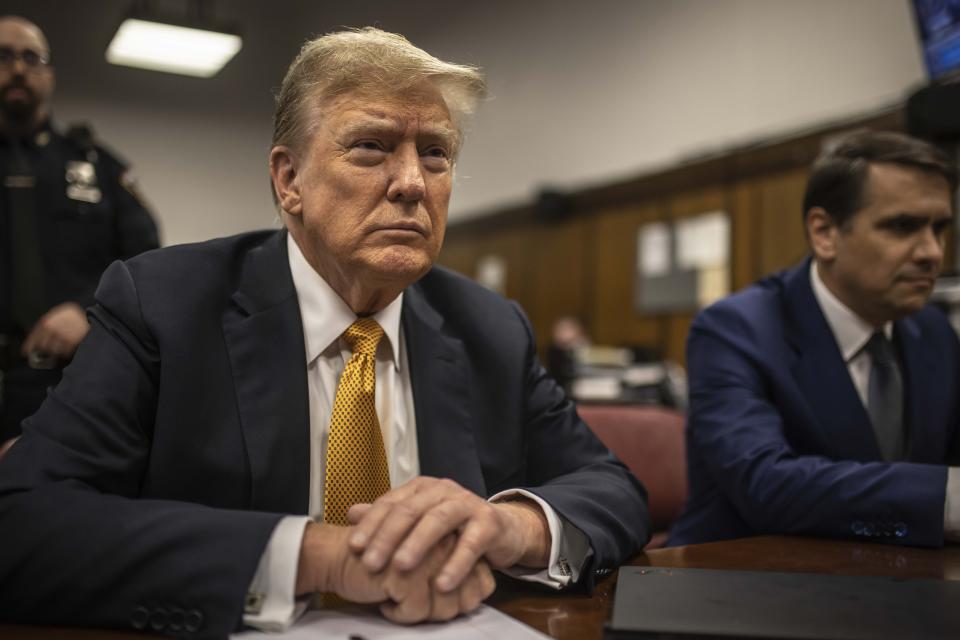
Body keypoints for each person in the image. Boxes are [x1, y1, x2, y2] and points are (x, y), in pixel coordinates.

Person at [0, 27, 649, 637]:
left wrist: (506, 527)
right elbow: (22, 520)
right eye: (371, 148)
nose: (411, 184)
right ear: (289, 181)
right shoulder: (165, 307)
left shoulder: (488, 327)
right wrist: (321, 556)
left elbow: (614, 489)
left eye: (436, 154)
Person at [669, 130, 960, 548]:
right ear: (824, 233)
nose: (932, 252)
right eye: (903, 227)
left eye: (940, 228)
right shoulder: (735, 329)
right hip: (743, 586)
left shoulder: (933, 331)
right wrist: (945, 498)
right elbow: (766, 485)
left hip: (897, 587)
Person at [0, 16, 159, 446]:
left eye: (31, 58)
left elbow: (146, 259)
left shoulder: (97, 166)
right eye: (4, 57)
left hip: (65, 383)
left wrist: (88, 309)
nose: (17, 69)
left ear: (49, 74)